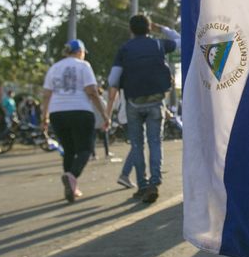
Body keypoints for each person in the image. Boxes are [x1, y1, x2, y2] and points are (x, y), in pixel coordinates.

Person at [106, 14, 179, 204]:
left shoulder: (124, 49)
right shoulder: (158, 45)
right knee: (155, 142)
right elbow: (180, 41)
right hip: (156, 102)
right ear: (149, 29)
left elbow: (113, 80)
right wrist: (162, 28)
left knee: (137, 145)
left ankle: (143, 185)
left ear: (131, 30)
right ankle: (155, 182)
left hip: (134, 103)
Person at [40, 39, 109, 203]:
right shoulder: (83, 66)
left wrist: (45, 117)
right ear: (80, 51)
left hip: (57, 113)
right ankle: (72, 176)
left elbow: (46, 94)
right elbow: (92, 91)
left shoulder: (54, 68)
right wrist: (105, 115)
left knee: (69, 150)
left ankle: (72, 186)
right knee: (85, 148)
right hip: (80, 111)